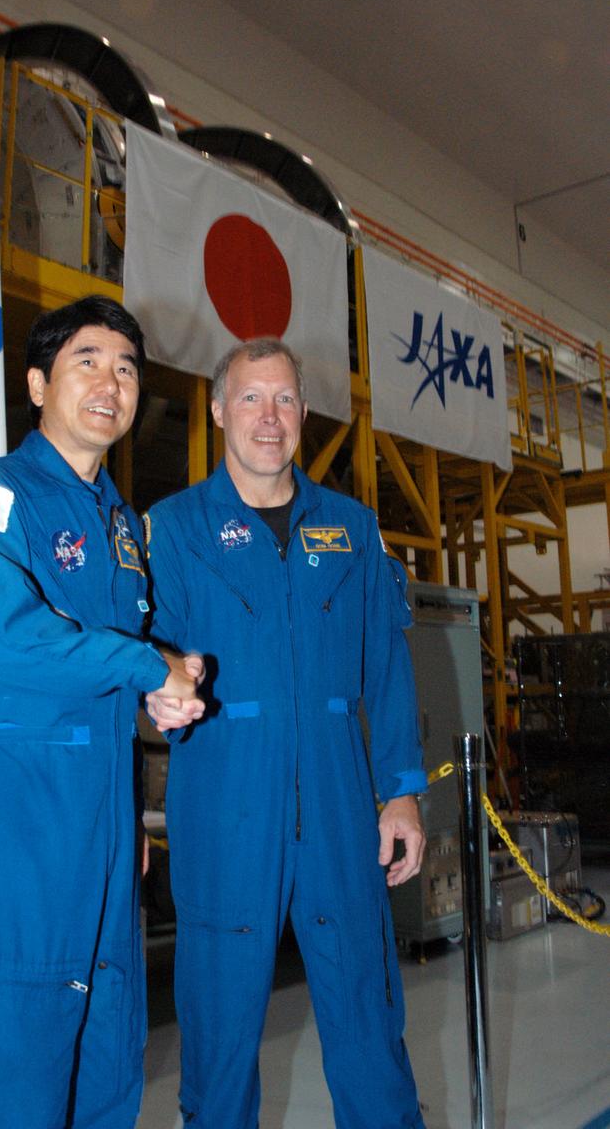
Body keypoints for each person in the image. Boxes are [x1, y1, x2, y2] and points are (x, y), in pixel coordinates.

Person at [0, 295, 203, 1129]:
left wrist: (166, 681)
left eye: (125, 368)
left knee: (105, 1042)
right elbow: (5, 649)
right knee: (13, 1052)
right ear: (38, 381)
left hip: (104, 817)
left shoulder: (121, 525)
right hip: (20, 818)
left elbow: (125, 653)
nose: (110, 382)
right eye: (88, 361)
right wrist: (140, 662)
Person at [144, 337, 428, 1129]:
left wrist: (401, 794)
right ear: (216, 410)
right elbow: (136, 662)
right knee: (219, 1032)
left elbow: (386, 668)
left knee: (367, 1021)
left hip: (339, 813)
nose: (268, 419)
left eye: (283, 400)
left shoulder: (350, 527)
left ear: (302, 412)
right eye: (249, 398)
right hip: (224, 808)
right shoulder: (170, 530)